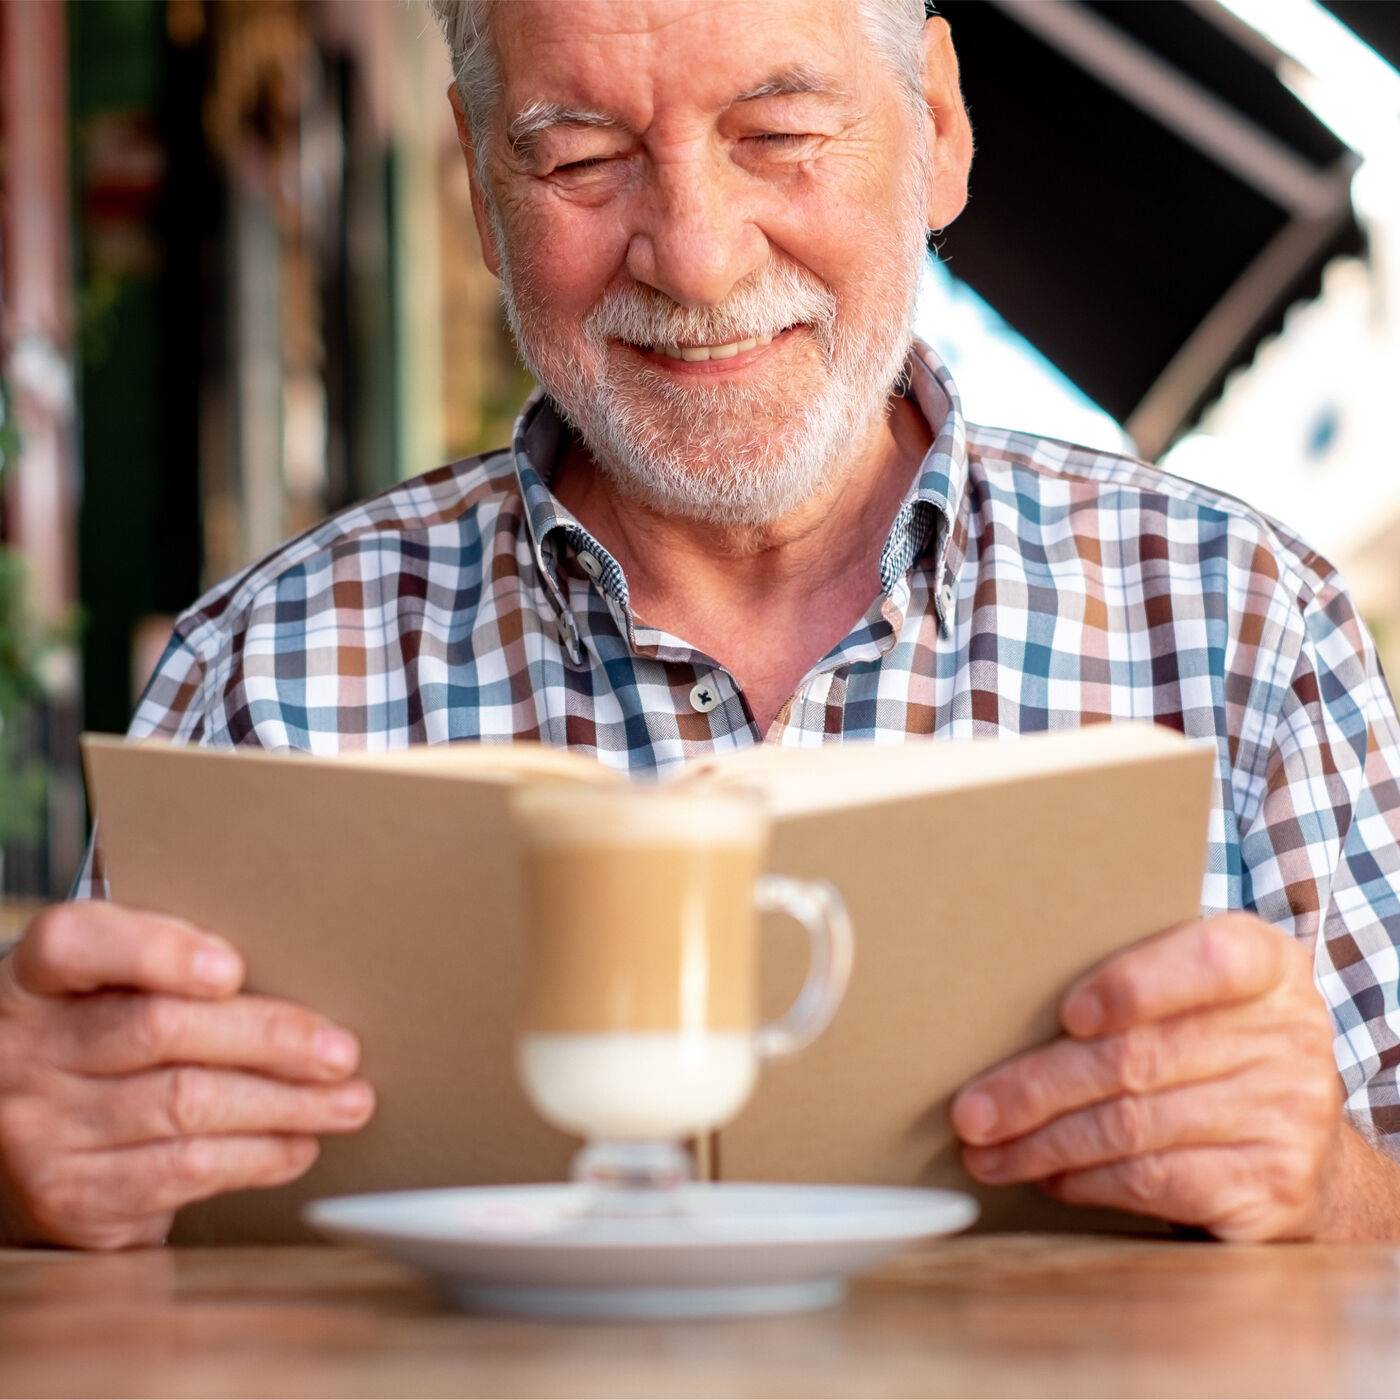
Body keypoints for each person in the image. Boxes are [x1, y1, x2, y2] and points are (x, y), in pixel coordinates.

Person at [3, 0, 1400, 1250]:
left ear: (941, 126)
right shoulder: (260, 673)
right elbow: (85, 1206)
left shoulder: (1241, 623)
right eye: (581, 160)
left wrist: (1332, 1182)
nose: (697, 257)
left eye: (780, 131)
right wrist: (28, 1184)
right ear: (484, 193)